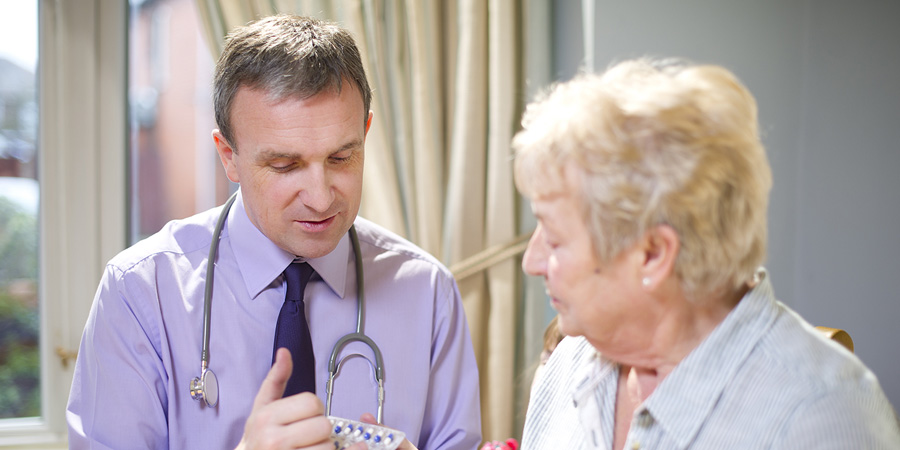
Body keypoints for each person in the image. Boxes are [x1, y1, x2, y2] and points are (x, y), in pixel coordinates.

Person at [66, 15, 481, 450]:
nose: (321, 199)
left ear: (366, 134)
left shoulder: (429, 292)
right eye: (285, 165)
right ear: (229, 156)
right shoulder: (139, 293)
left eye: (342, 158)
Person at [513, 58, 900, 449]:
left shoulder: (822, 419)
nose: (532, 262)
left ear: (652, 255)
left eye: (555, 238)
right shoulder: (567, 368)